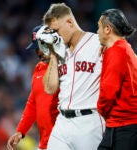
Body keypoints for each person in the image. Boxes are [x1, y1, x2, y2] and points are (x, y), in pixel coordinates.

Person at [39, 3, 105, 150]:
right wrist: (53, 55)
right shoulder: (59, 51)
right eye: (52, 33)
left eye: (56, 30)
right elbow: (49, 89)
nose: (55, 36)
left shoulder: (98, 43)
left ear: (69, 22)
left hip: (89, 122)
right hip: (62, 123)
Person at [7, 25, 59, 150]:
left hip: (63, 139)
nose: (37, 53)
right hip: (44, 142)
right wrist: (20, 131)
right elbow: (33, 103)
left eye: (40, 47)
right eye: (36, 49)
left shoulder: (66, 67)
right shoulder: (38, 68)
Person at [97, 9, 137, 150]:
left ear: (107, 29)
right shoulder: (125, 48)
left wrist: (100, 110)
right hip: (125, 125)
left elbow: (108, 93)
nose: (98, 31)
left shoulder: (116, 52)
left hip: (123, 127)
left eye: (99, 27)